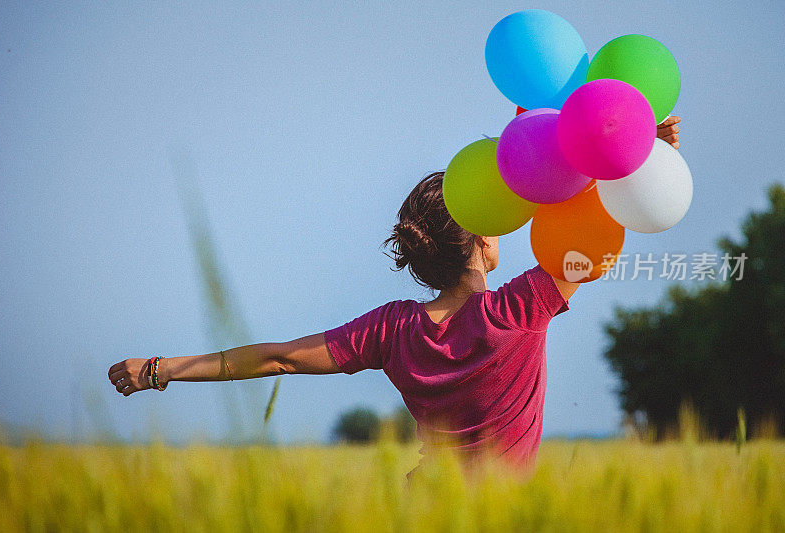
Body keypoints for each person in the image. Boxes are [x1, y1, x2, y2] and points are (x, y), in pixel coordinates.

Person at [108, 117, 682, 479]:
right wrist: (633, 156)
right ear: (485, 235)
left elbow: (276, 357)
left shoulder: (391, 330)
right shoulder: (520, 308)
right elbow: (597, 234)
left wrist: (160, 370)